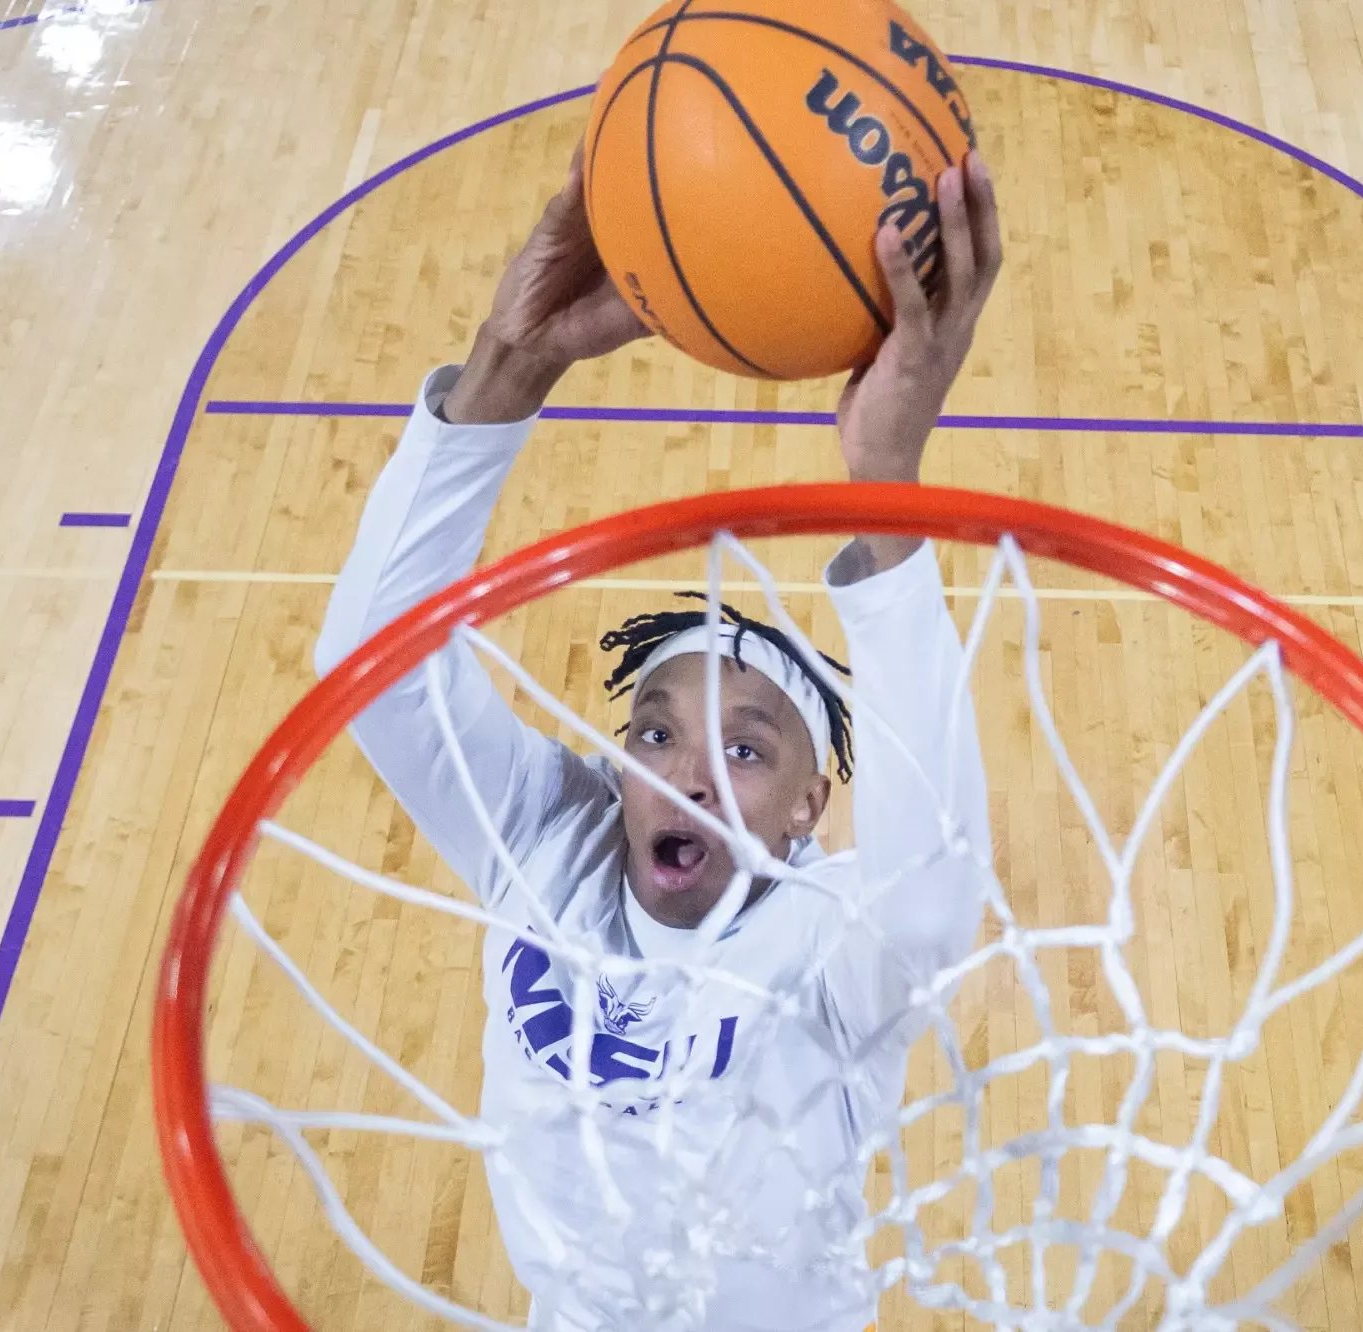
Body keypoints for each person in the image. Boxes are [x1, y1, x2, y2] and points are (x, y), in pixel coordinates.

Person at [314, 145, 1003, 1331]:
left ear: (808, 806)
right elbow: (370, 662)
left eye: (745, 749)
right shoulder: (551, 847)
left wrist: (885, 482)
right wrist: (511, 360)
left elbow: (932, 890)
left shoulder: (828, 947)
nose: (684, 774)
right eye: (654, 732)